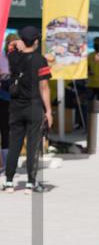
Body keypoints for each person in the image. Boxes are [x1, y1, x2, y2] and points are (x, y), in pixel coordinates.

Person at [2, 26, 52, 194]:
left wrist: (18, 42)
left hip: (15, 106)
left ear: (22, 40)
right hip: (34, 106)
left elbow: (10, 46)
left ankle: (9, 181)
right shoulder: (40, 60)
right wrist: (49, 111)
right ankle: (31, 183)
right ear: (36, 41)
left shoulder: (13, 57)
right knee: (32, 145)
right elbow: (44, 87)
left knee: (14, 144)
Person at [0, 34, 19, 174]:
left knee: (12, 130)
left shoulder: (22, 57)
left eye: (14, 44)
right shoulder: (2, 56)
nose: (11, 47)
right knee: (4, 129)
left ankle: (9, 163)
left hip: (16, 98)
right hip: (3, 97)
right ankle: (5, 163)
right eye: (10, 44)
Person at [87, 36, 99, 101]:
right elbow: (87, 67)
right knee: (89, 102)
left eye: (98, 43)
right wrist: (89, 72)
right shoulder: (90, 55)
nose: (96, 44)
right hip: (91, 83)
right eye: (95, 43)